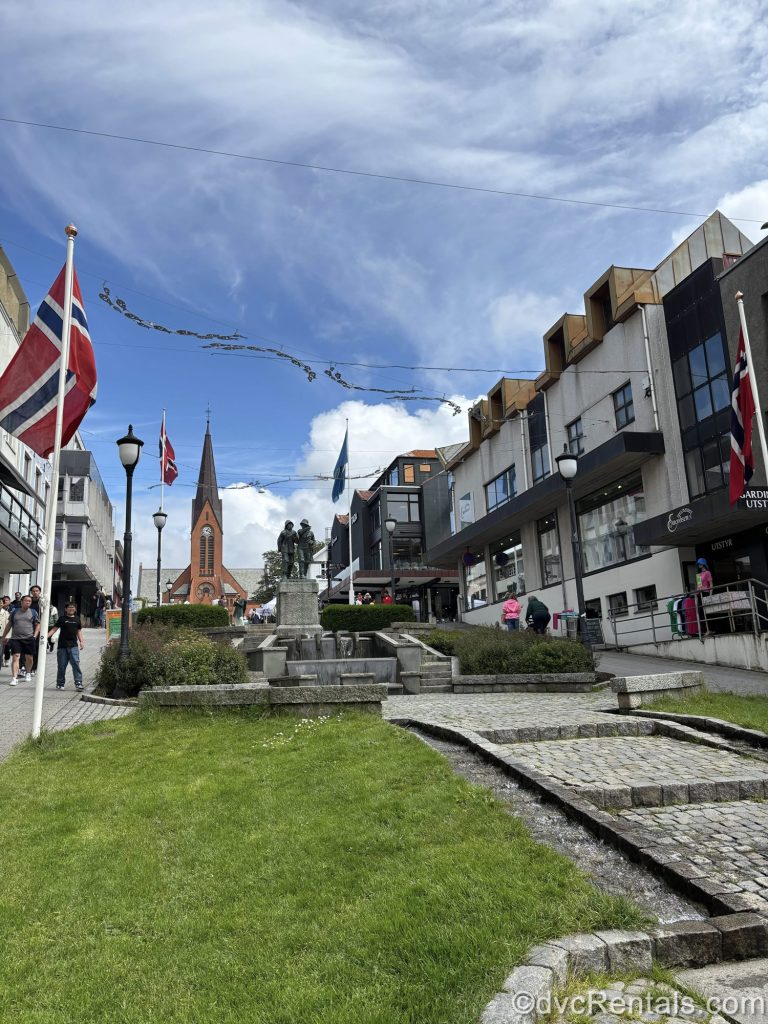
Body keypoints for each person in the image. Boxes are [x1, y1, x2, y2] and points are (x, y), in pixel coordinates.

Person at [2, 594, 40, 685]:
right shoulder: (15, 612)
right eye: (26, 601)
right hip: (16, 639)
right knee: (16, 657)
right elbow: (9, 624)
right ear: (21, 602)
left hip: (29, 638)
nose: (28, 602)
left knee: (29, 658)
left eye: (29, 601)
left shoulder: (33, 612)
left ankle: (28, 672)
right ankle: (14, 678)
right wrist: (4, 636)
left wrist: (35, 636)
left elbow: (38, 624)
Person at [47, 601, 85, 691]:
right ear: (65, 609)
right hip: (62, 646)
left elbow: (78, 631)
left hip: (73, 646)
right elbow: (54, 629)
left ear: (75, 609)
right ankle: (60, 683)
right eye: (69, 607)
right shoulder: (62, 619)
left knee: (75, 663)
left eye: (73, 607)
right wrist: (46, 637)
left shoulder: (77, 619)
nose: (71, 609)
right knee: (61, 665)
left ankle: (78, 682)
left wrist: (81, 641)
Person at [29, 585, 44, 677]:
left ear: (39, 592)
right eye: (33, 591)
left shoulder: (42, 602)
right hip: (28, 627)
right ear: (31, 592)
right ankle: (25, 667)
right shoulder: (28, 601)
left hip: (39, 627)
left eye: (37, 591)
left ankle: (34, 667)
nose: (35, 592)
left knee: (36, 648)